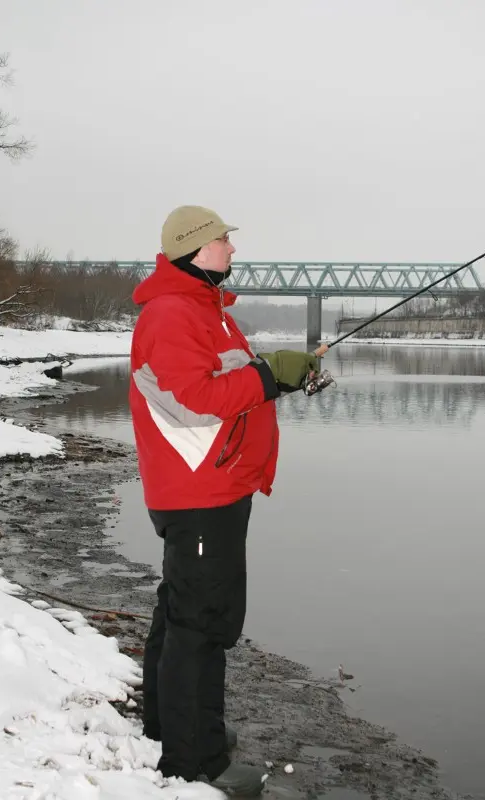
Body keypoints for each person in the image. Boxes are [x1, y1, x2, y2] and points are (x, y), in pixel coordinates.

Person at [129, 205, 319, 796]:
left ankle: (168, 725)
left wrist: (279, 374)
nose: (232, 248)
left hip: (214, 484)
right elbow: (191, 399)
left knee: (183, 607)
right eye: (222, 240)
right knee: (204, 621)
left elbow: (225, 385)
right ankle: (195, 761)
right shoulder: (171, 313)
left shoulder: (206, 311)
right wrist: (268, 377)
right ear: (192, 249)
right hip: (199, 490)